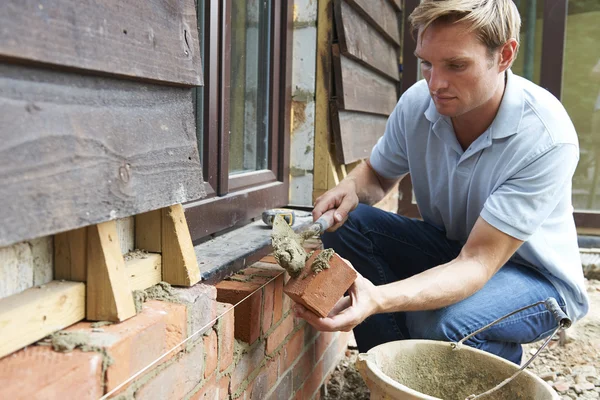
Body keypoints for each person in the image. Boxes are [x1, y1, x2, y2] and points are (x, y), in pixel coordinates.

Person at [293, 0, 589, 365]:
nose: (436, 83)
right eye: (426, 63)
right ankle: (390, 377)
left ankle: (493, 364)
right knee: (350, 224)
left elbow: (478, 262)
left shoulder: (545, 138)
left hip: (533, 278)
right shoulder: (418, 103)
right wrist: (351, 186)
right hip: (457, 250)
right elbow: (377, 175)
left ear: (505, 55)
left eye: (456, 65)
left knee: (441, 322)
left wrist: (378, 299)